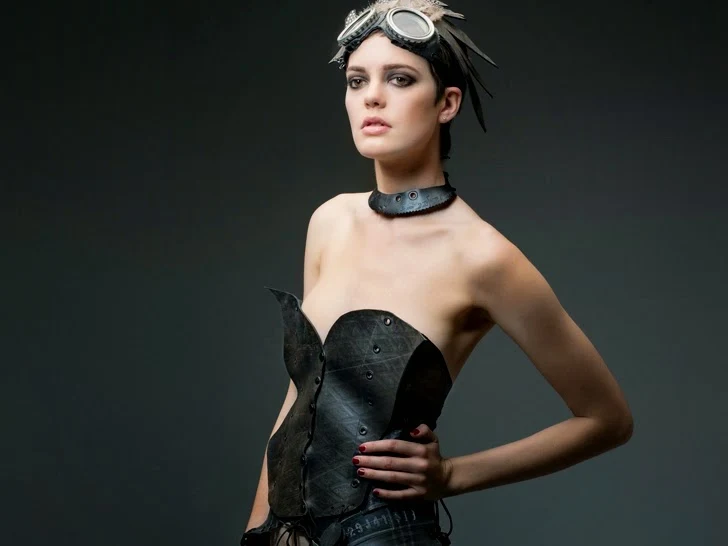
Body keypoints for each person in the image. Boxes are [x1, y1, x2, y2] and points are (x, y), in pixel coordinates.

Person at [242, 1, 633, 544]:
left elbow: (607, 420)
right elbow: (301, 395)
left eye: (399, 79)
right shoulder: (330, 221)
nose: (372, 97)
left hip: (386, 532)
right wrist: (258, 527)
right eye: (357, 80)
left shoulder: (482, 256)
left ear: (447, 103)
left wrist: (450, 475)